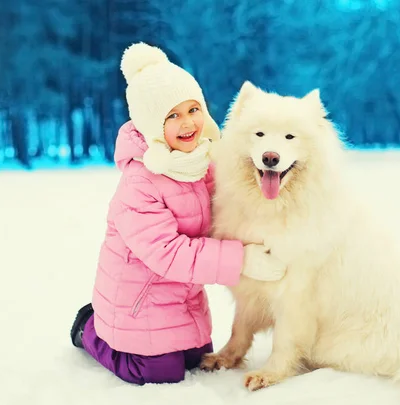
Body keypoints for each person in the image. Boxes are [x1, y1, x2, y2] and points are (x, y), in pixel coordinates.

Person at [69, 42, 285, 385]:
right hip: (136, 301)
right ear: (151, 124)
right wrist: (242, 259)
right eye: (172, 115)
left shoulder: (203, 162)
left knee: (198, 359)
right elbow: (167, 253)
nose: (188, 123)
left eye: (193, 109)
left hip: (181, 298)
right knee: (159, 372)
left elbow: (232, 204)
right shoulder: (140, 182)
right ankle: (89, 329)